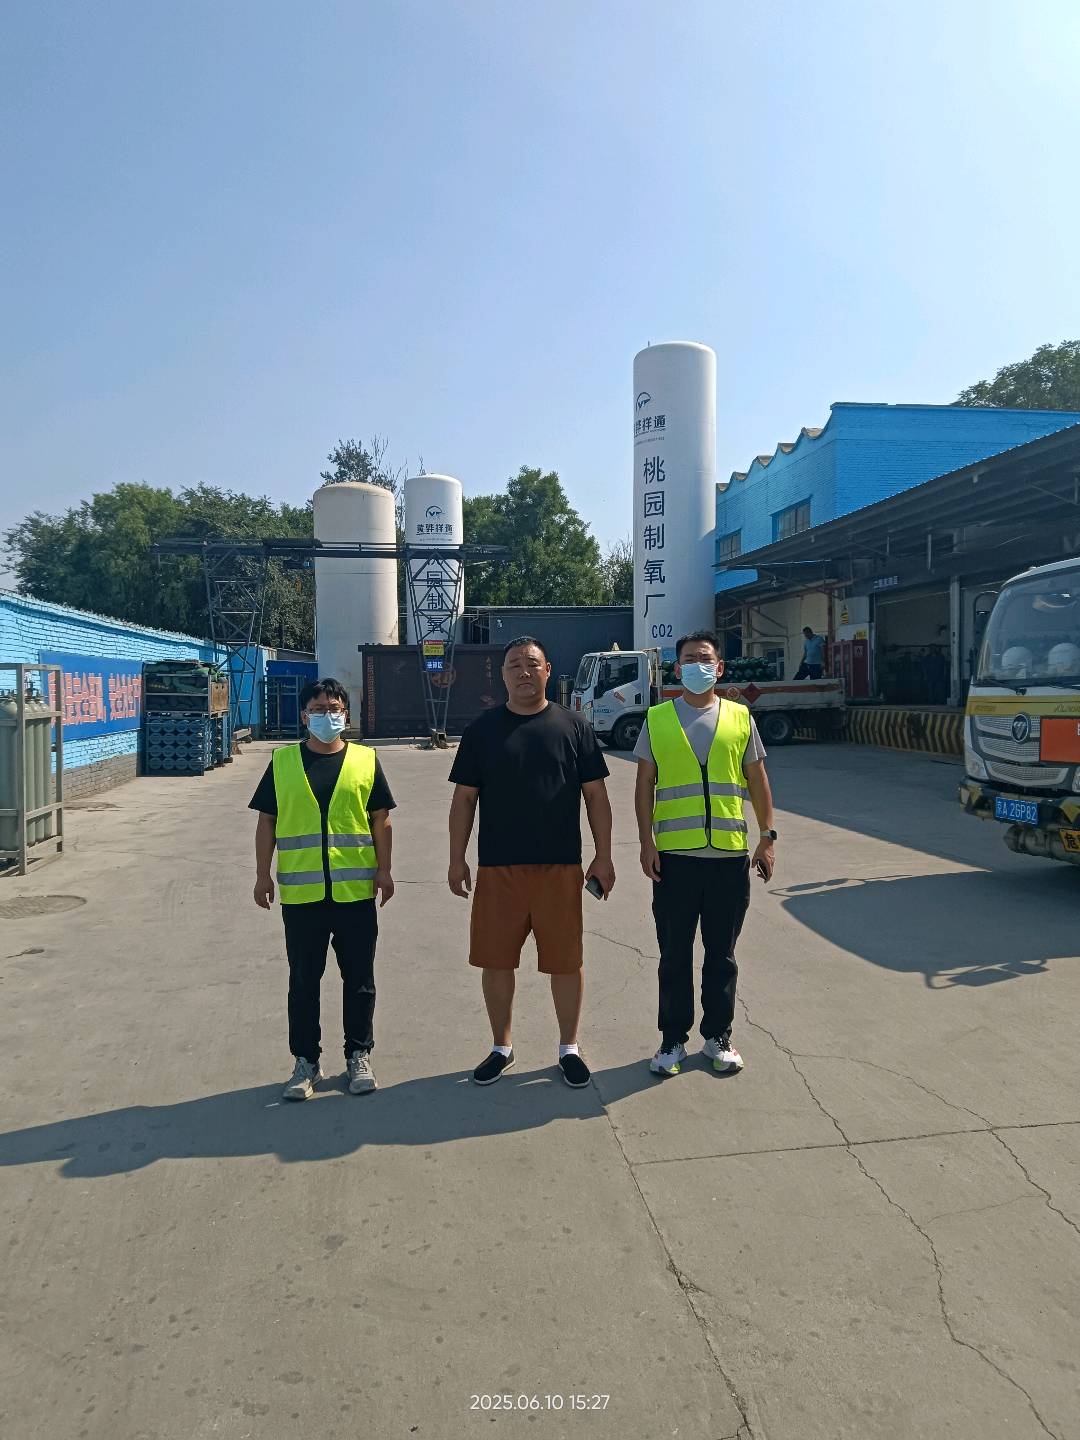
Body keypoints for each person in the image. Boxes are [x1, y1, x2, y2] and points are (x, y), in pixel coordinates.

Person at [448, 636, 615, 1088]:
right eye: (514, 665)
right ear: (503, 675)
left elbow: (596, 796)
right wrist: (456, 859)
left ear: (548, 670)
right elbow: (464, 800)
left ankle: (569, 1048)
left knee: (566, 961)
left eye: (532, 664)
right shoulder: (482, 730)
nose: (524, 671)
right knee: (496, 960)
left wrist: (603, 856)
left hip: (560, 867)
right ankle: (501, 1047)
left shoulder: (573, 726)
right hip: (497, 868)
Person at [634, 630, 776, 1078]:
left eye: (705, 658)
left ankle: (718, 1036)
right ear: (677, 669)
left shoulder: (740, 717)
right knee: (674, 955)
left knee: (722, 955)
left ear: (720, 667)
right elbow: (644, 785)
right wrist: (646, 843)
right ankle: (672, 1040)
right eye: (690, 659)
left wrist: (767, 837)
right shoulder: (657, 718)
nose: (698, 665)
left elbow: (757, 780)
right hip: (674, 860)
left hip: (729, 859)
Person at [250, 677, 395, 1101]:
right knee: (303, 981)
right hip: (303, 897)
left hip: (355, 893)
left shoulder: (366, 760)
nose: (326, 715)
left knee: (360, 979)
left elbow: (381, 819)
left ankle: (358, 1055)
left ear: (346, 715)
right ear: (303, 716)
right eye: (317, 709)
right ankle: (305, 1062)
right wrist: (262, 874)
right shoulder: (282, 762)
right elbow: (267, 822)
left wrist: (385, 871)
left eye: (333, 708)